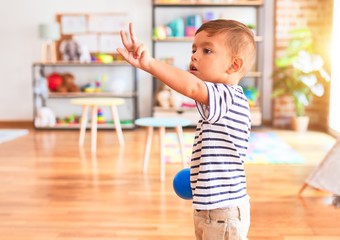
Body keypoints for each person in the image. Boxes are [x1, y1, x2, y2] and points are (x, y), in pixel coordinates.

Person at [117, 19, 256, 240]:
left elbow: (192, 87)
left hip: (223, 210)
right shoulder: (218, 97)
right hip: (210, 208)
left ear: (234, 66)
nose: (194, 55)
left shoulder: (229, 96)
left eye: (207, 50)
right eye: (194, 49)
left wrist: (149, 63)